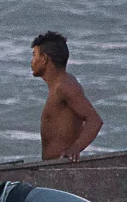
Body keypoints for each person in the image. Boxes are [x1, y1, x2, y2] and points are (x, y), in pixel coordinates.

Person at [31, 30, 102, 160]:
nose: (32, 61)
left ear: (44, 58)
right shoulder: (60, 85)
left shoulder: (64, 86)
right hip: (52, 167)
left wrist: (75, 149)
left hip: (62, 167)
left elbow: (95, 120)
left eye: (34, 55)